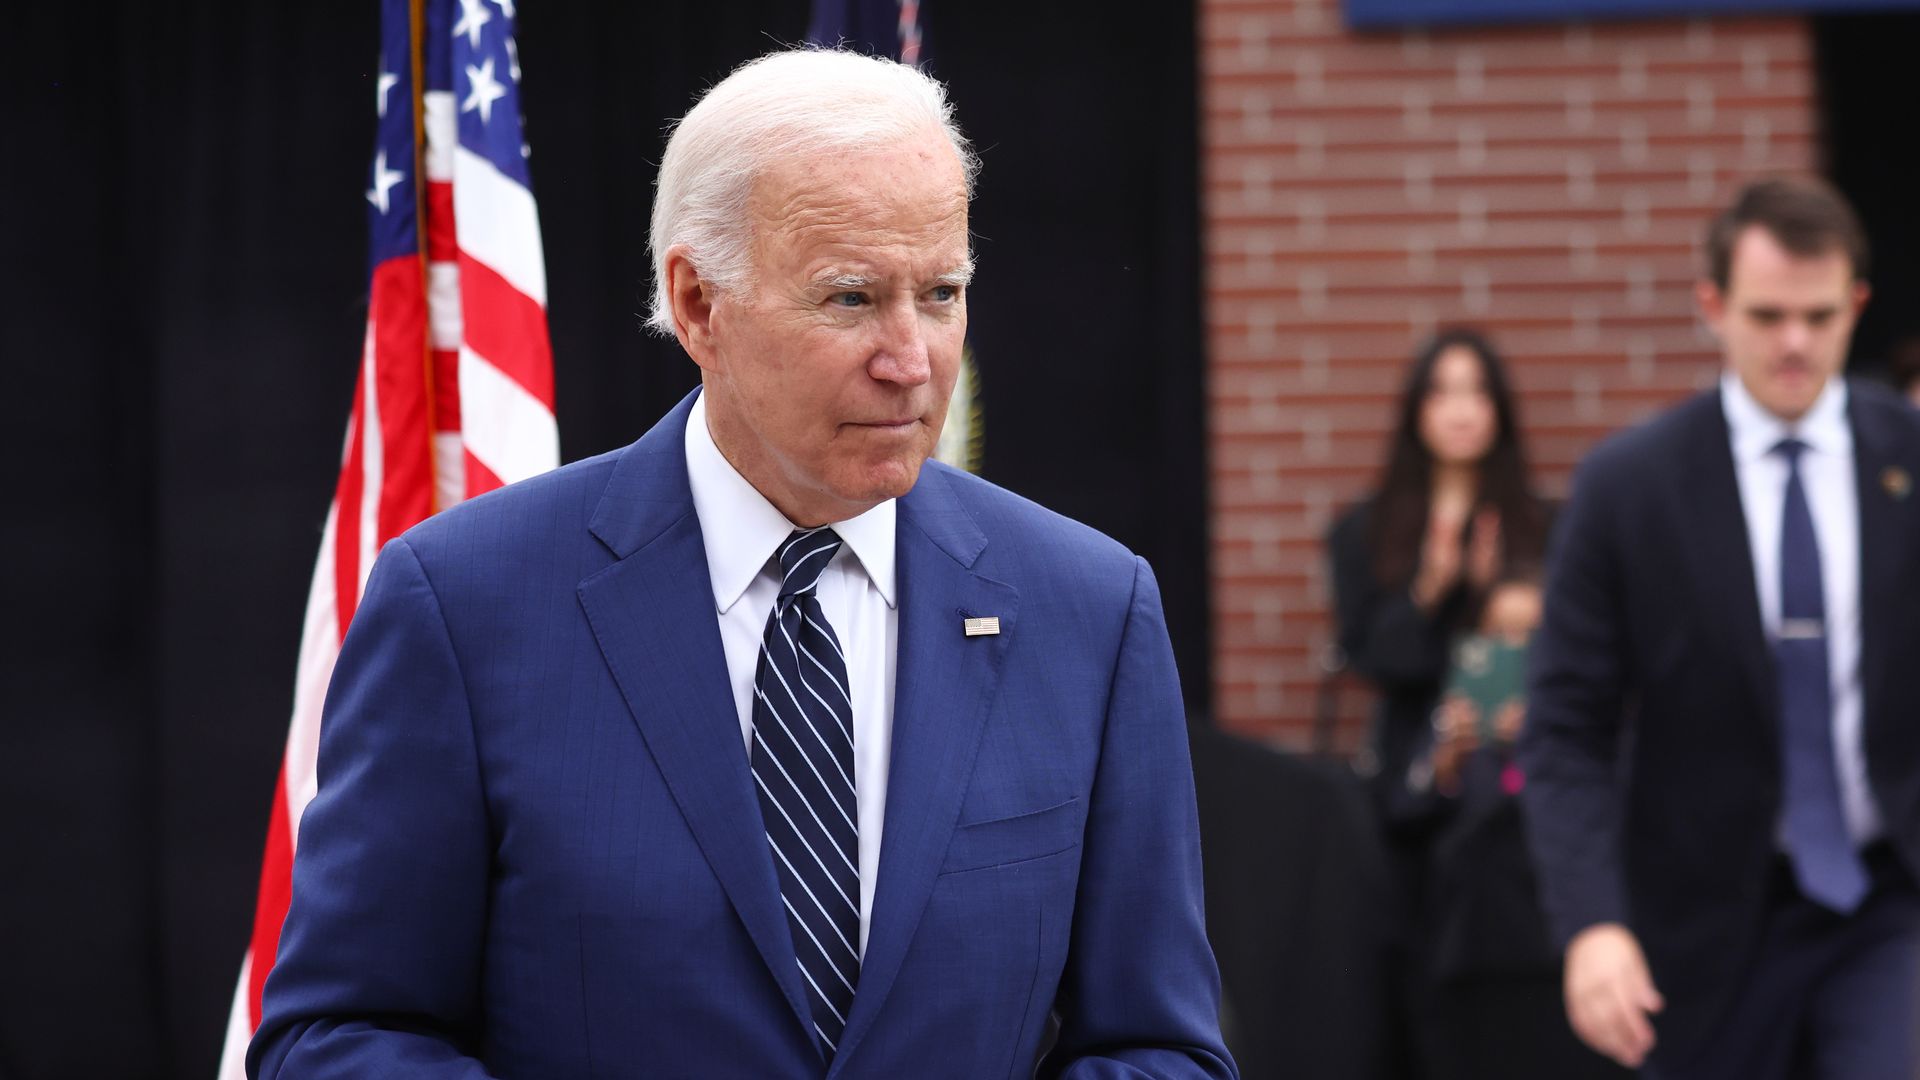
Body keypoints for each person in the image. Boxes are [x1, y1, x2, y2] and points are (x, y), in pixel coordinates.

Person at [248, 48, 1234, 1080]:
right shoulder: (464, 604)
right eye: (850, 299)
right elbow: (335, 1038)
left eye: (942, 293)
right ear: (697, 304)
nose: (911, 361)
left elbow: (1160, 1047)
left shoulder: (1088, 609)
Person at [1521, 175, 1920, 1079]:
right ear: (1713, 305)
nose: (1794, 342)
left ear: (1857, 305)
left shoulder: (1907, 459)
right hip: (1700, 923)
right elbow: (1566, 728)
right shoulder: (1629, 489)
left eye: (1819, 316)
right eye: (1767, 315)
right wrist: (1591, 924)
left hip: (1886, 896)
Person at [1329, 330, 1616, 1080]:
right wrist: (1434, 584)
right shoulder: (1368, 528)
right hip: (1414, 790)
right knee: (1416, 976)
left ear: (1500, 410)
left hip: (1519, 787)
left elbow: (1571, 646)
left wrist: (1496, 603)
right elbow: (1377, 659)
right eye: (1442, 392)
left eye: (1477, 392)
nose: (1460, 411)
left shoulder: (1541, 522)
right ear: (1416, 411)